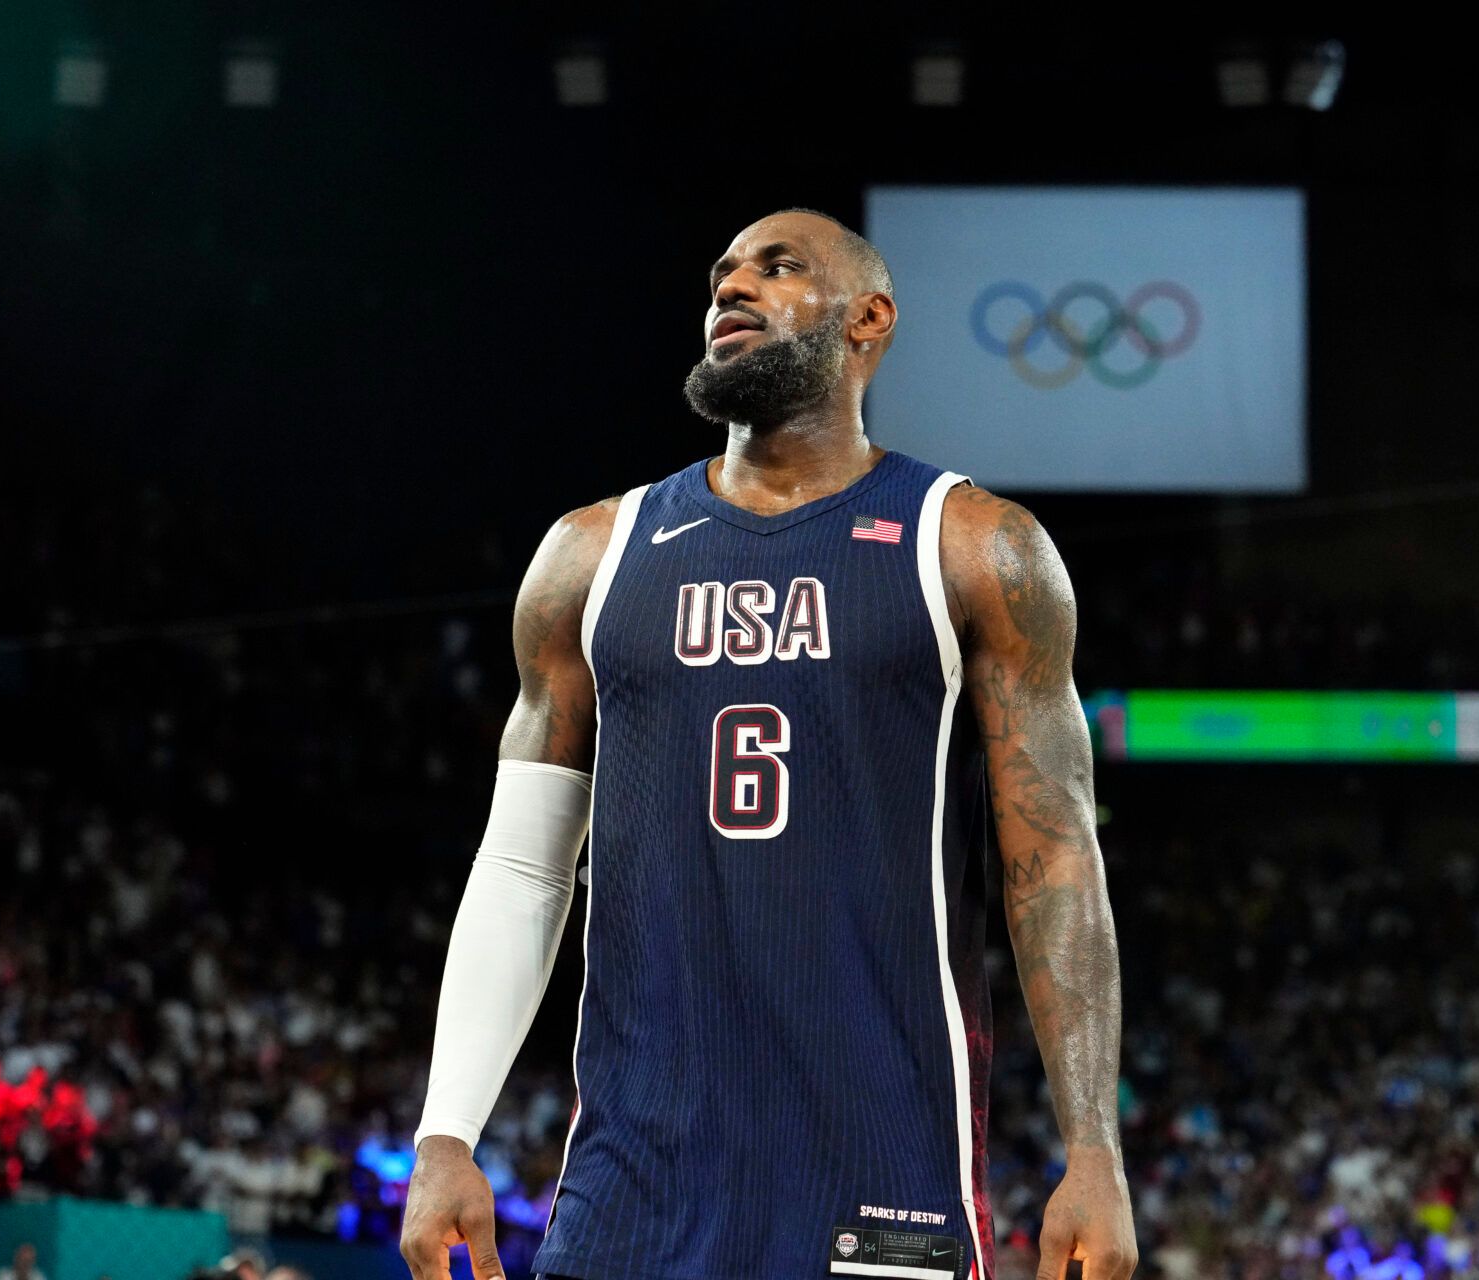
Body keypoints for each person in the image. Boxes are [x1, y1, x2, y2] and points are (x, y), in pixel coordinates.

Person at [402, 209, 1138, 1280]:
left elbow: (1056, 858)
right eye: (720, 274)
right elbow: (522, 865)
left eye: (778, 267)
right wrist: (445, 1130)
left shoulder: (977, 545)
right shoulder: (591, 555)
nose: (731, 287)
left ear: (868, 319)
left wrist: (1094, 1148)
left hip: (885, 1170)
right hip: (633, 1190)